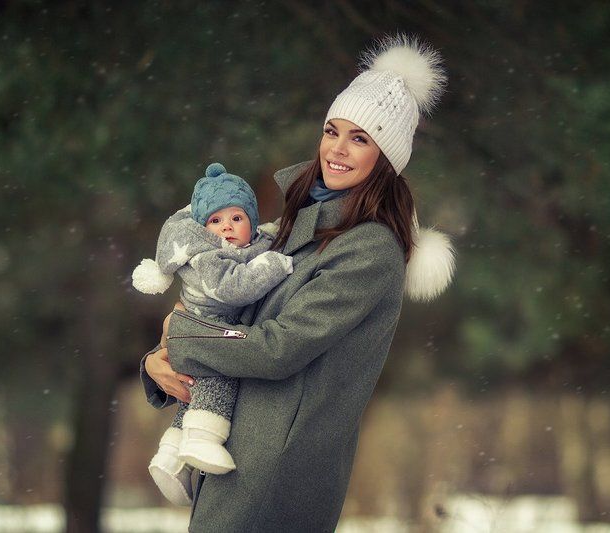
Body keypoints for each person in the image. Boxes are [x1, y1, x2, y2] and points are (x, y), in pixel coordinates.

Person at [141, 34, 455, 531]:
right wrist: (157, 363)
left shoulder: (368, 249)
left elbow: (277, 348)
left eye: (361, 139)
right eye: (333, 130)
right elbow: (229, 315)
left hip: (276, 473)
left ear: (386, 156)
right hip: (238, 452)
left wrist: (180, 338)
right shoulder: (299, 223)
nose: (338, 148)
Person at [132, 162, 293, 506]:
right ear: (204, 229)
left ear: (251, 220)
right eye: (216, 222)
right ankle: (203, 438)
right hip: (207, 334)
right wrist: (275, 264)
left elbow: (266, 238)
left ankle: (171, 455)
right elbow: (237, 288)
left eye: (236, 218)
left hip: (196, 336)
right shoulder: (208, 257)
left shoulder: (248, 244)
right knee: (218, 380)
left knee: (192, 390)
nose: (227, 229)